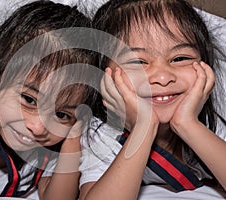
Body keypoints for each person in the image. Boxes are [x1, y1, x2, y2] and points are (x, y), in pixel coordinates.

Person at [0, 1, 99, 199]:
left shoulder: (55, 143)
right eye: (29, 100)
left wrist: (73, 140)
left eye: (61, 114)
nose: (39, 127)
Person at [79, 0, 226, 199]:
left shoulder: (212, 116)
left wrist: (187, 124)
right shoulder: (102, 131)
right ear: (105, 77)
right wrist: (143, 128)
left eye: (180, 58)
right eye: (138, 62)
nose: (163, 78)